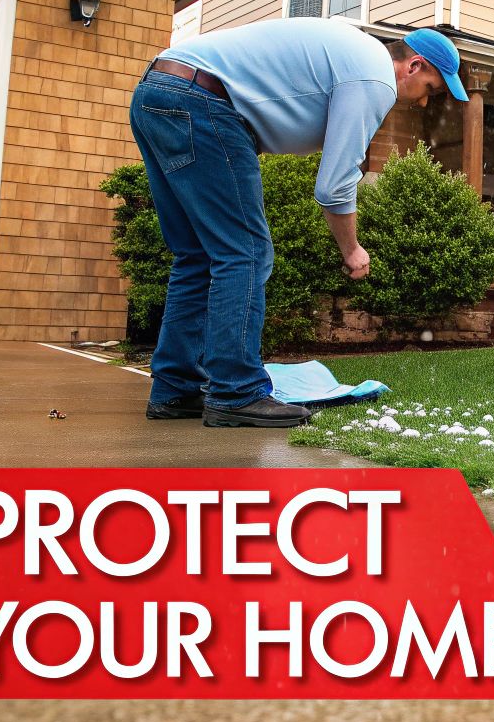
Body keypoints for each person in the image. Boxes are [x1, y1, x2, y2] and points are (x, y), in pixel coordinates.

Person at [128, 21, 467, 428]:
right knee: (246, 253)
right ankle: (235, 393)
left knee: (196, 254)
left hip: (158, 93)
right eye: (431, 89)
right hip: (202, 102)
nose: (424, 102)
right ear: (414, 66)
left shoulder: (355, 54)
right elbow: (334, 187)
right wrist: (352, 250)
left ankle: (175, 389)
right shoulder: (375, 77)